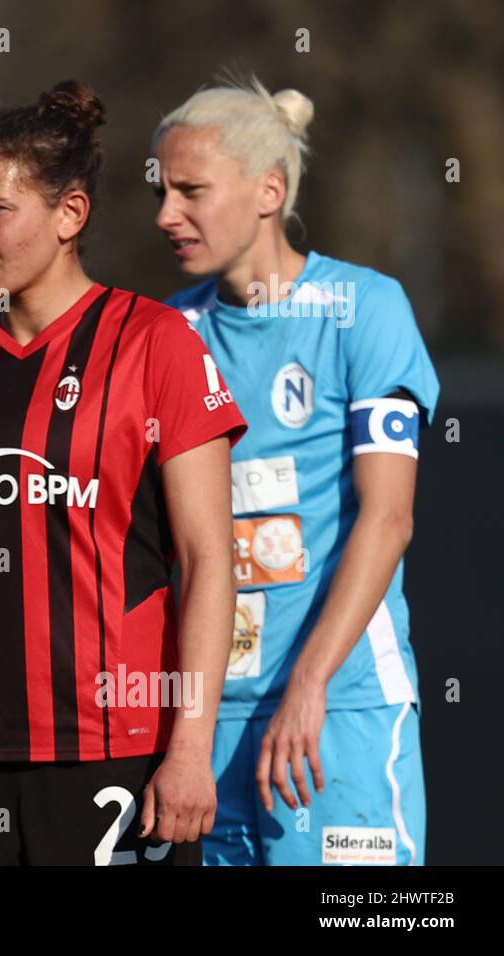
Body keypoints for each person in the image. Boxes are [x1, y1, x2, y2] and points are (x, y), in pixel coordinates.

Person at [0, 81, 247, 865]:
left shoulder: (158, 345)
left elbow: (209, 560)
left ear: (70, 215)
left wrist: (189, 750)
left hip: (109, 744)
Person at [154, 76, 438, 865]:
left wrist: (308, 685)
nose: (165, 215)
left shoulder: (365, 308)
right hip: (205, 728)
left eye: (190, 191)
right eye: (162, 190)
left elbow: (388, 518)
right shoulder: (168, 333)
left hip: (337, 711)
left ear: (268, 190)